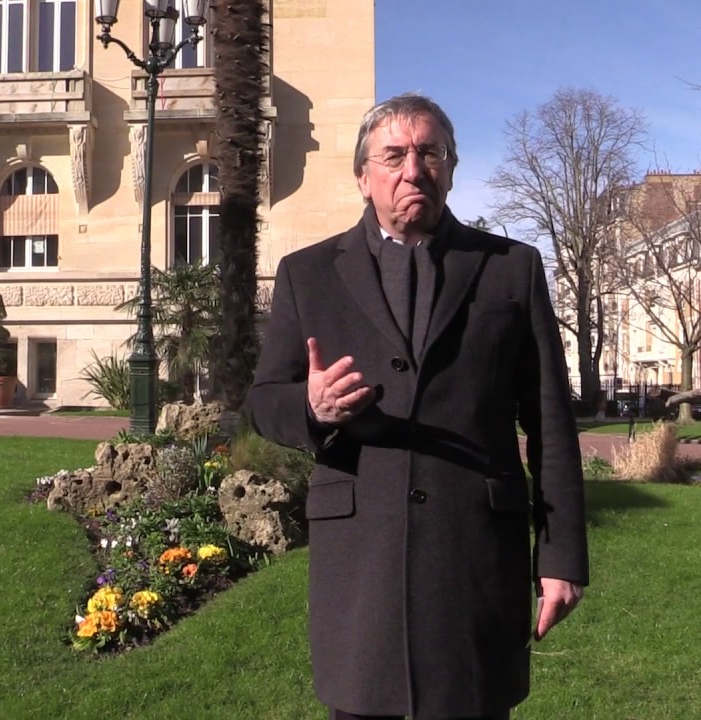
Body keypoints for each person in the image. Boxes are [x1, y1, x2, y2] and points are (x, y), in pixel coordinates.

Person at [244, 93, 589, 720]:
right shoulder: (307, 274)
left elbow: (550, 423)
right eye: (394, 155)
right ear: (362, 175)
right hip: (361, 563)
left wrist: (561, 556)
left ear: (451, 168)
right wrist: (313, 406)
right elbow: (264, 402)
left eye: (430, 153)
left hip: (474, 559)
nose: (413, 170)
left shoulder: (511, 269)